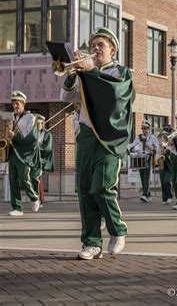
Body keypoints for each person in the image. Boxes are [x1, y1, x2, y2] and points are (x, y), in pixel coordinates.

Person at [60, 27, 134, 260]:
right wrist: (72, 72)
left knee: (101, 187)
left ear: (112, 49)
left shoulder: (121, 72)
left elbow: (114, 93)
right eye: (92, 45)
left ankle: (117, 229)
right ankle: (91, 242)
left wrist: (89, 70)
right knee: (84, 190)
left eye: (100, 45)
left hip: (111, 137)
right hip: (86, 135)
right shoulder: (84, 72)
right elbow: (65, 98)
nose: (95, 48)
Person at [7, 91, 42, 216]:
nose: (15, 106)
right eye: (13, 104)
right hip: (13, 151)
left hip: (23, 152)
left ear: (23, 103)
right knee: (12, 179)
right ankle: (17, 207)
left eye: (17, 103)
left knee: (24, 178)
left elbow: (30, 136)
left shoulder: (31, 117)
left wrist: (15, 135)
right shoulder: (12, 116)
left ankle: (34, 198)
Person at [128, 120, 160, 203]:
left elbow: (157, 148)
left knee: (146, 176)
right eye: (142, 128)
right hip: (140, 158)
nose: (143, 130)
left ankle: (145, 194)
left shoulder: (152, 137)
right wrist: (132, 149)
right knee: (142, 177)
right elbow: (132, 145)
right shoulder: (138, 137)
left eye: (145, 128)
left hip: (148, 158)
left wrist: (153, 152)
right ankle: (148, 195)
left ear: (148, 129)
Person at [35, 114, 54, 206]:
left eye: (39, 123)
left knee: (37, 178)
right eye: (36, 124)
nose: (37, 125)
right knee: (36, 179)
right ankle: (39, 199)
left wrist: (35, 147)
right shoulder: (34, 134)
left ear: (43, 124)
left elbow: (47, 148)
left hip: (40, 160)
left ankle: (40, 199)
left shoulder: (47, 134)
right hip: (33, 159)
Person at [157, 125, 174, 204]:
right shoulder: (160, 144)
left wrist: (166, 151)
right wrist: (159, 158)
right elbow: (158, 153)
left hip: (169, 163)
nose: (163, 138)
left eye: (165, 135)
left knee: (167, 181)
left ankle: (170, 196)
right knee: (162, 181)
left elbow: (172, 152)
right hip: (162, 162)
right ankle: (164, 198)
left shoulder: (172, 143)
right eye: (163, 136)